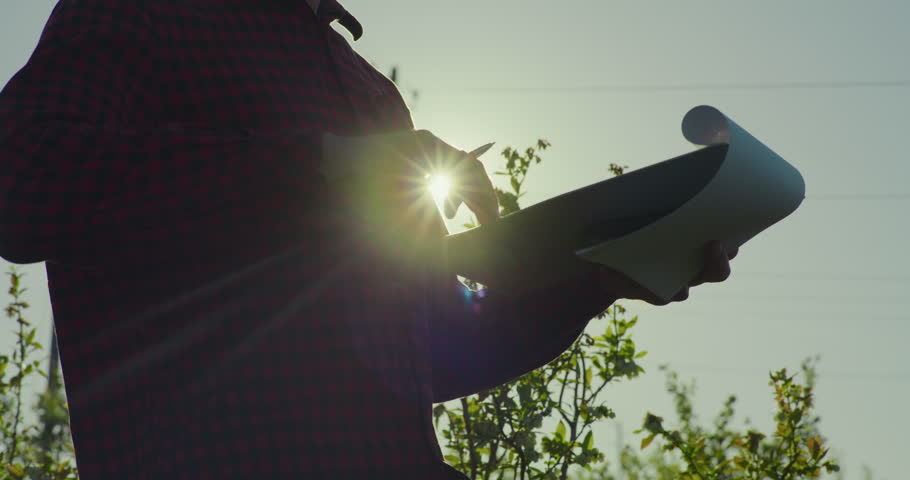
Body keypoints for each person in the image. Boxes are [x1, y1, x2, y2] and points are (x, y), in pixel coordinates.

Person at [0, 0, 735, 478]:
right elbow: (22, 182)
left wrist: (597, 278)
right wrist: (326, 163)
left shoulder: (369, 90)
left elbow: (418, 349)